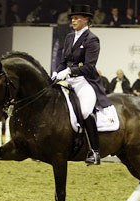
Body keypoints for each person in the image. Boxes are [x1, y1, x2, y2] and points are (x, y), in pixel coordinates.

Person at [52, 4, 112, 165]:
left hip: (85, 81)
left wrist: (69, 71)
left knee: (85, 111)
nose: (73, 19)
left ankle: (95, 151)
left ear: (86, 20)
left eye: (77, 17)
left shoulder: (92, 40)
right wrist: (56, 72)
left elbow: (89, 66)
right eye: (72, 17)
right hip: (67, 79)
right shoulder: (69, 37)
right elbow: (63, 61)